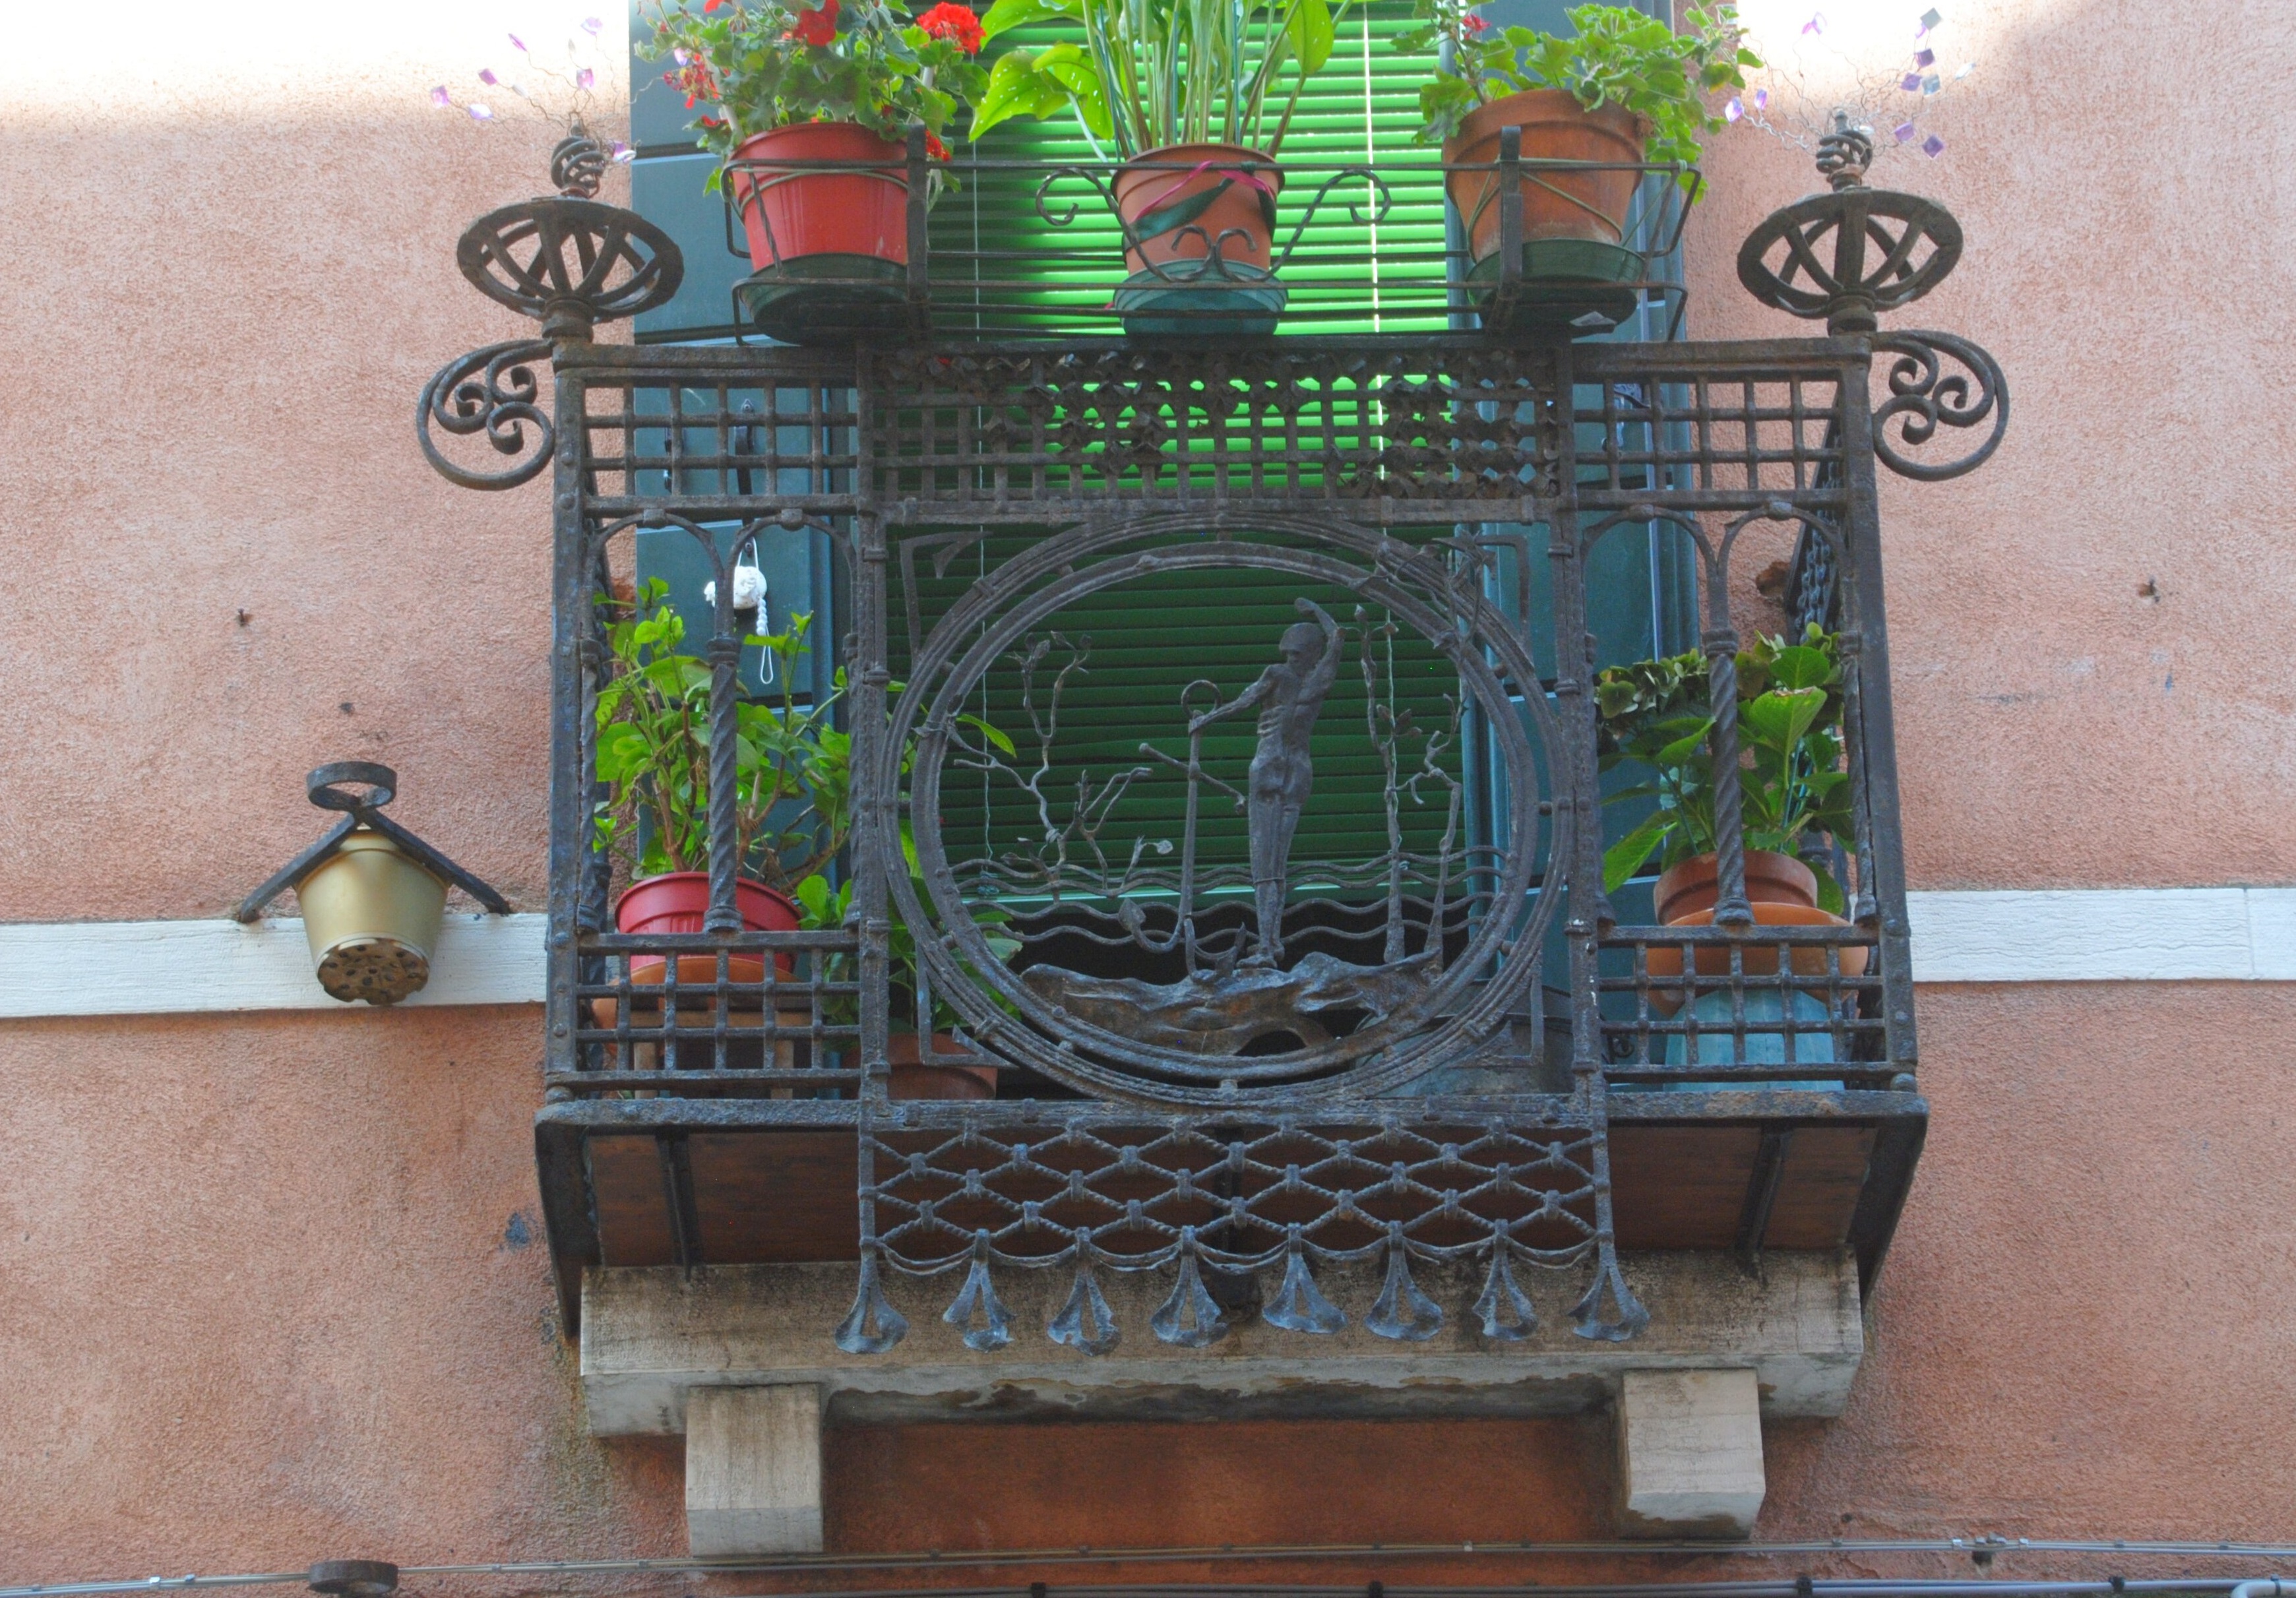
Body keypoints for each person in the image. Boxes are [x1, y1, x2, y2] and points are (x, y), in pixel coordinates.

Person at [1188, 598, 1342, 965]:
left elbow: (1244, 702)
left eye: (1294, 654)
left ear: (1299, 654)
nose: (1292, 659)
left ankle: (1269, 944)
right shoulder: (1318, 680)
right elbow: (1338, 637)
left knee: (1265, 867)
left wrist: (1203, 721)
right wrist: (1316, 610)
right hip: (1298, 770)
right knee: (1277, 866)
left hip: (1272, 766)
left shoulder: (1277, 674)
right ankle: (1270, 944)